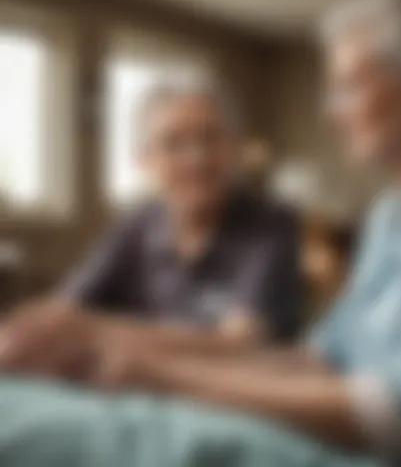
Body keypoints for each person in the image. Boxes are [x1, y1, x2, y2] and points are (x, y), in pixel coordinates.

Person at [0, 0, 401, 467]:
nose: (332, 113)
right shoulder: (388, 215)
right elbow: (318, 360)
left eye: (349, 85)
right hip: (351, 435)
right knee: (75, 413)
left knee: (90, 436)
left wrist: (161, 375)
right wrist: (125, 363)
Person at [60, 73, 303, 346]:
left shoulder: (271, 226)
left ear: (233, 148)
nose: (197, 159)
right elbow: (60, 318)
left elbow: (237, 344)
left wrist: (111, 340)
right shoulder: (133, 228)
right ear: (144, 160)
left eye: (211, 138)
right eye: (174, 143)